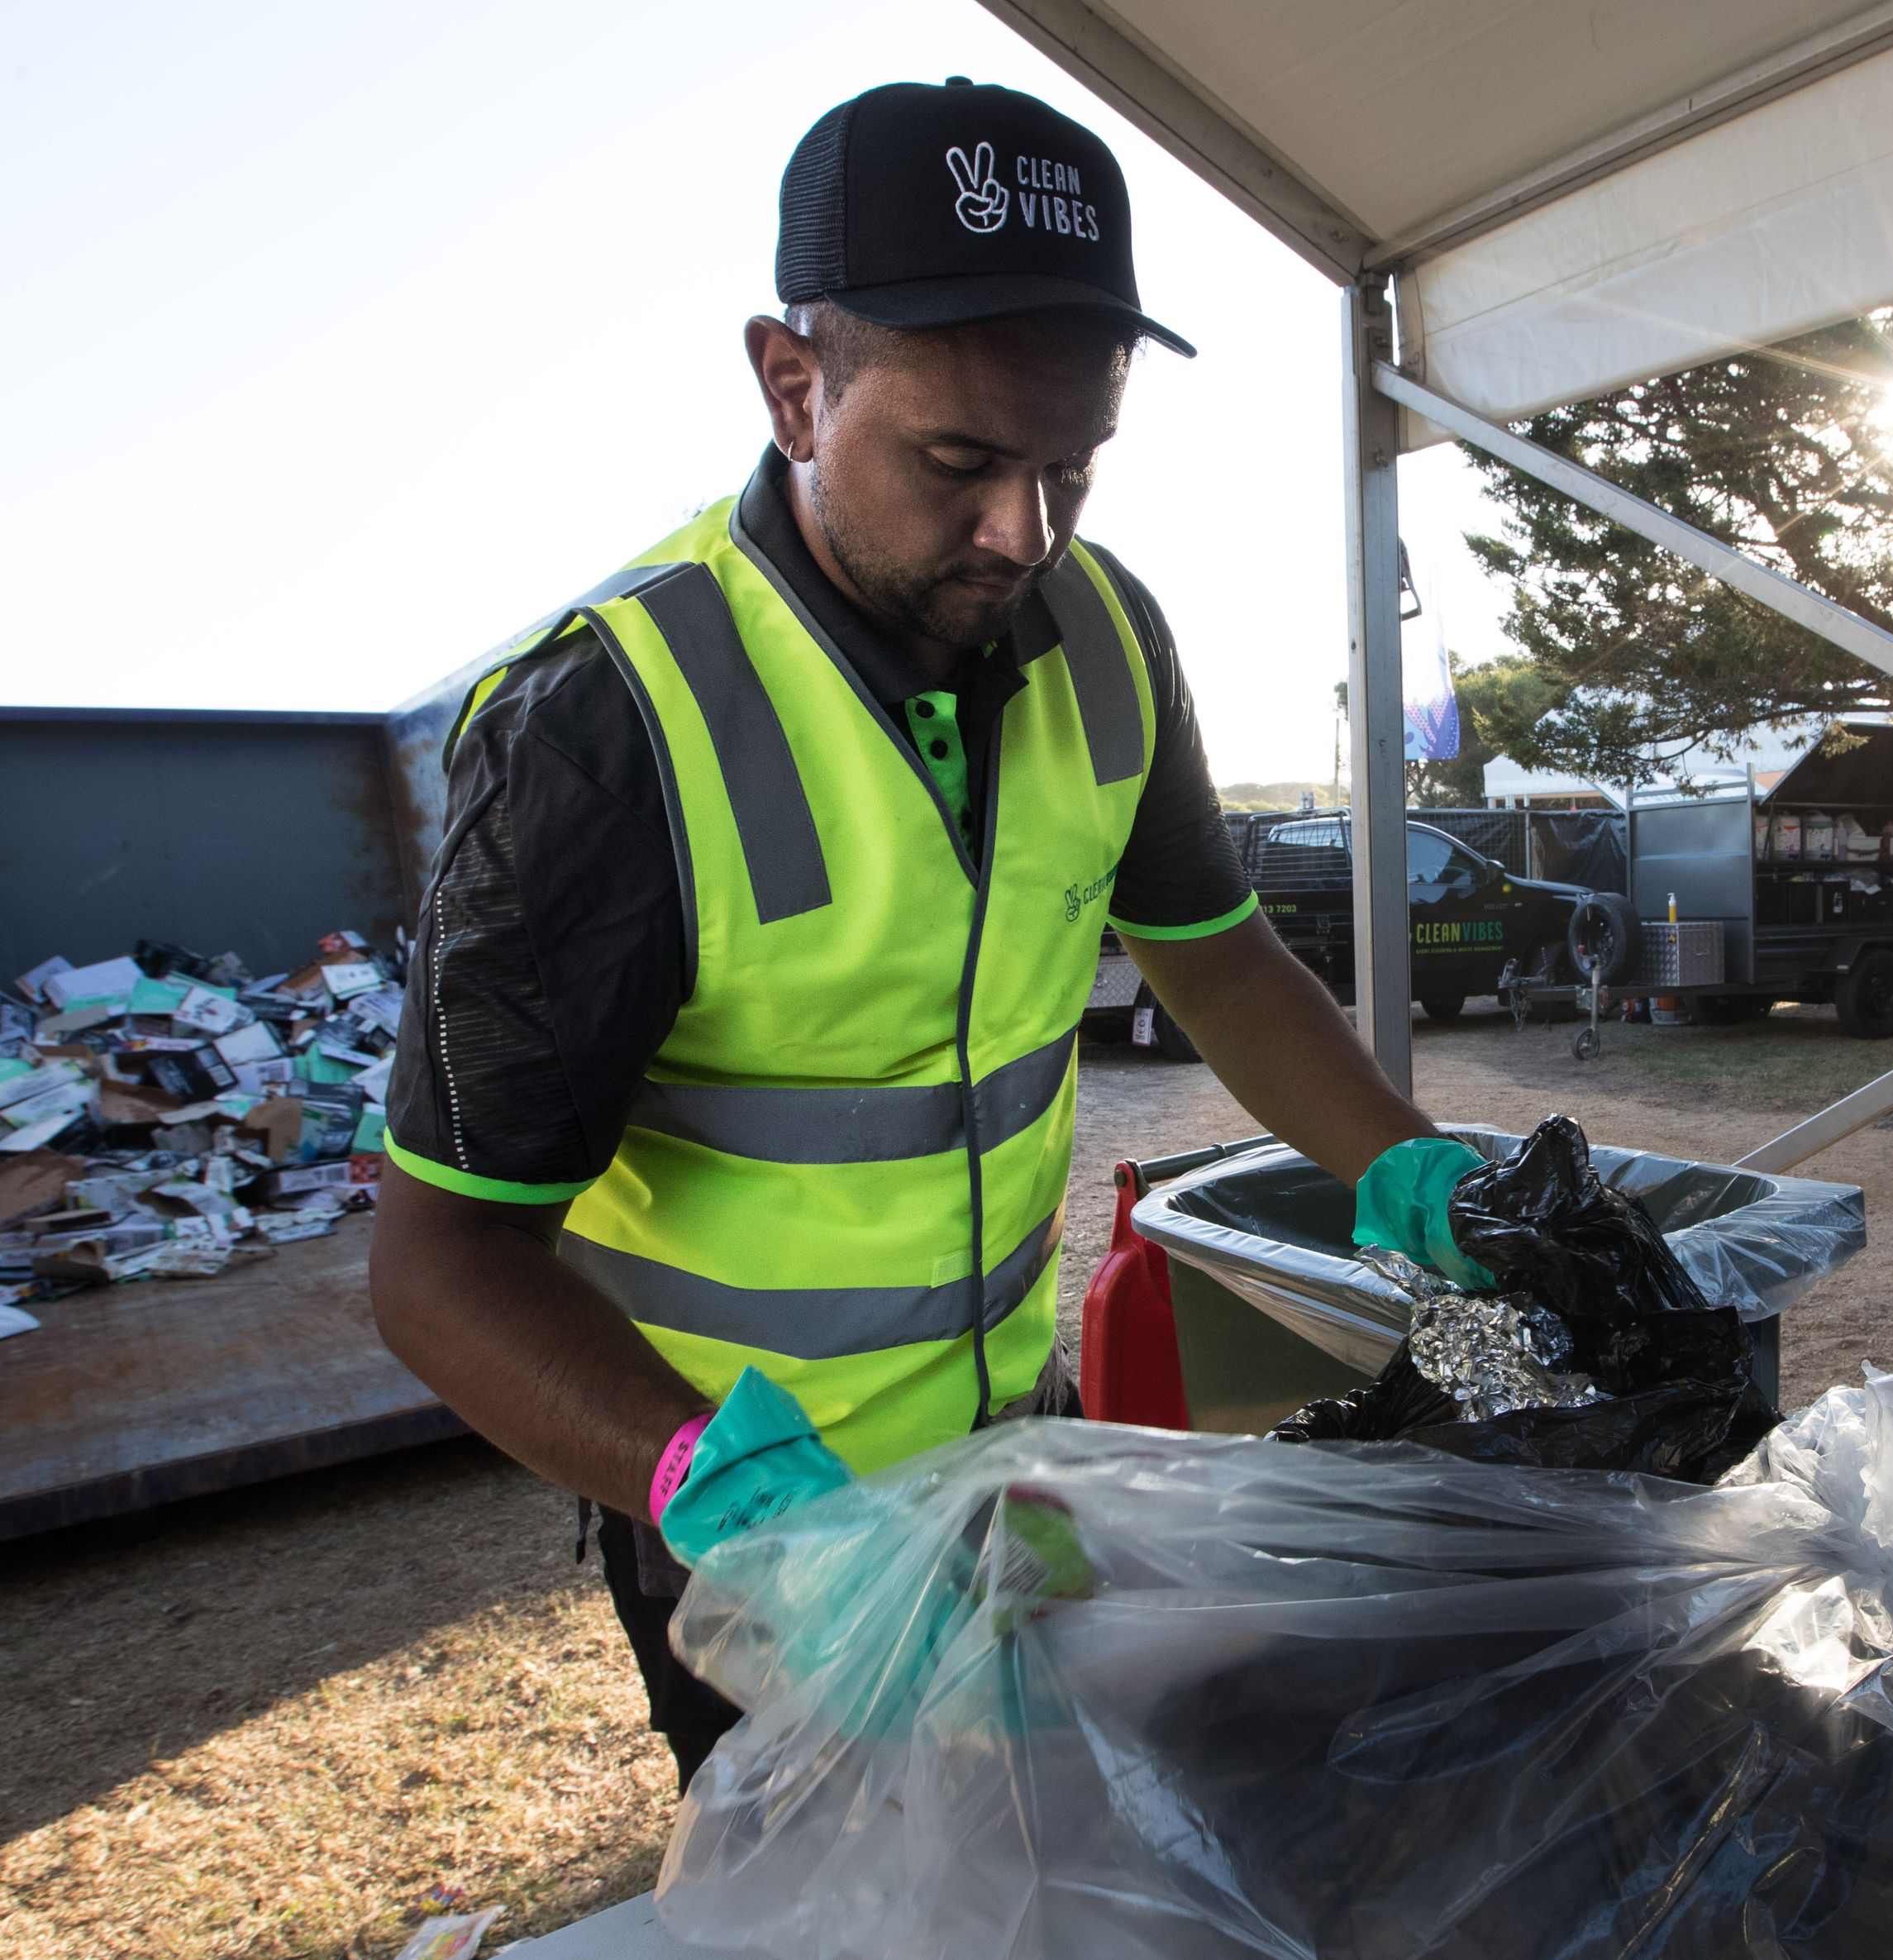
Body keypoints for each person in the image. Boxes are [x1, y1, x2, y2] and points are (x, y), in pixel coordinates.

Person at [370, 78, 1491, 1789]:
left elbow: (1216, 955)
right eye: (962, 462)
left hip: (1006, 1460)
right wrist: (715, 1489)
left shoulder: (1109, 636)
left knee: (1052, 1840)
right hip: (748, 1528)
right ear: (793, 383)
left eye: (1074, 467)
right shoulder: (611, 727)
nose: (1021, 535)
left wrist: (1405, 1175)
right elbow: (438, 1263)